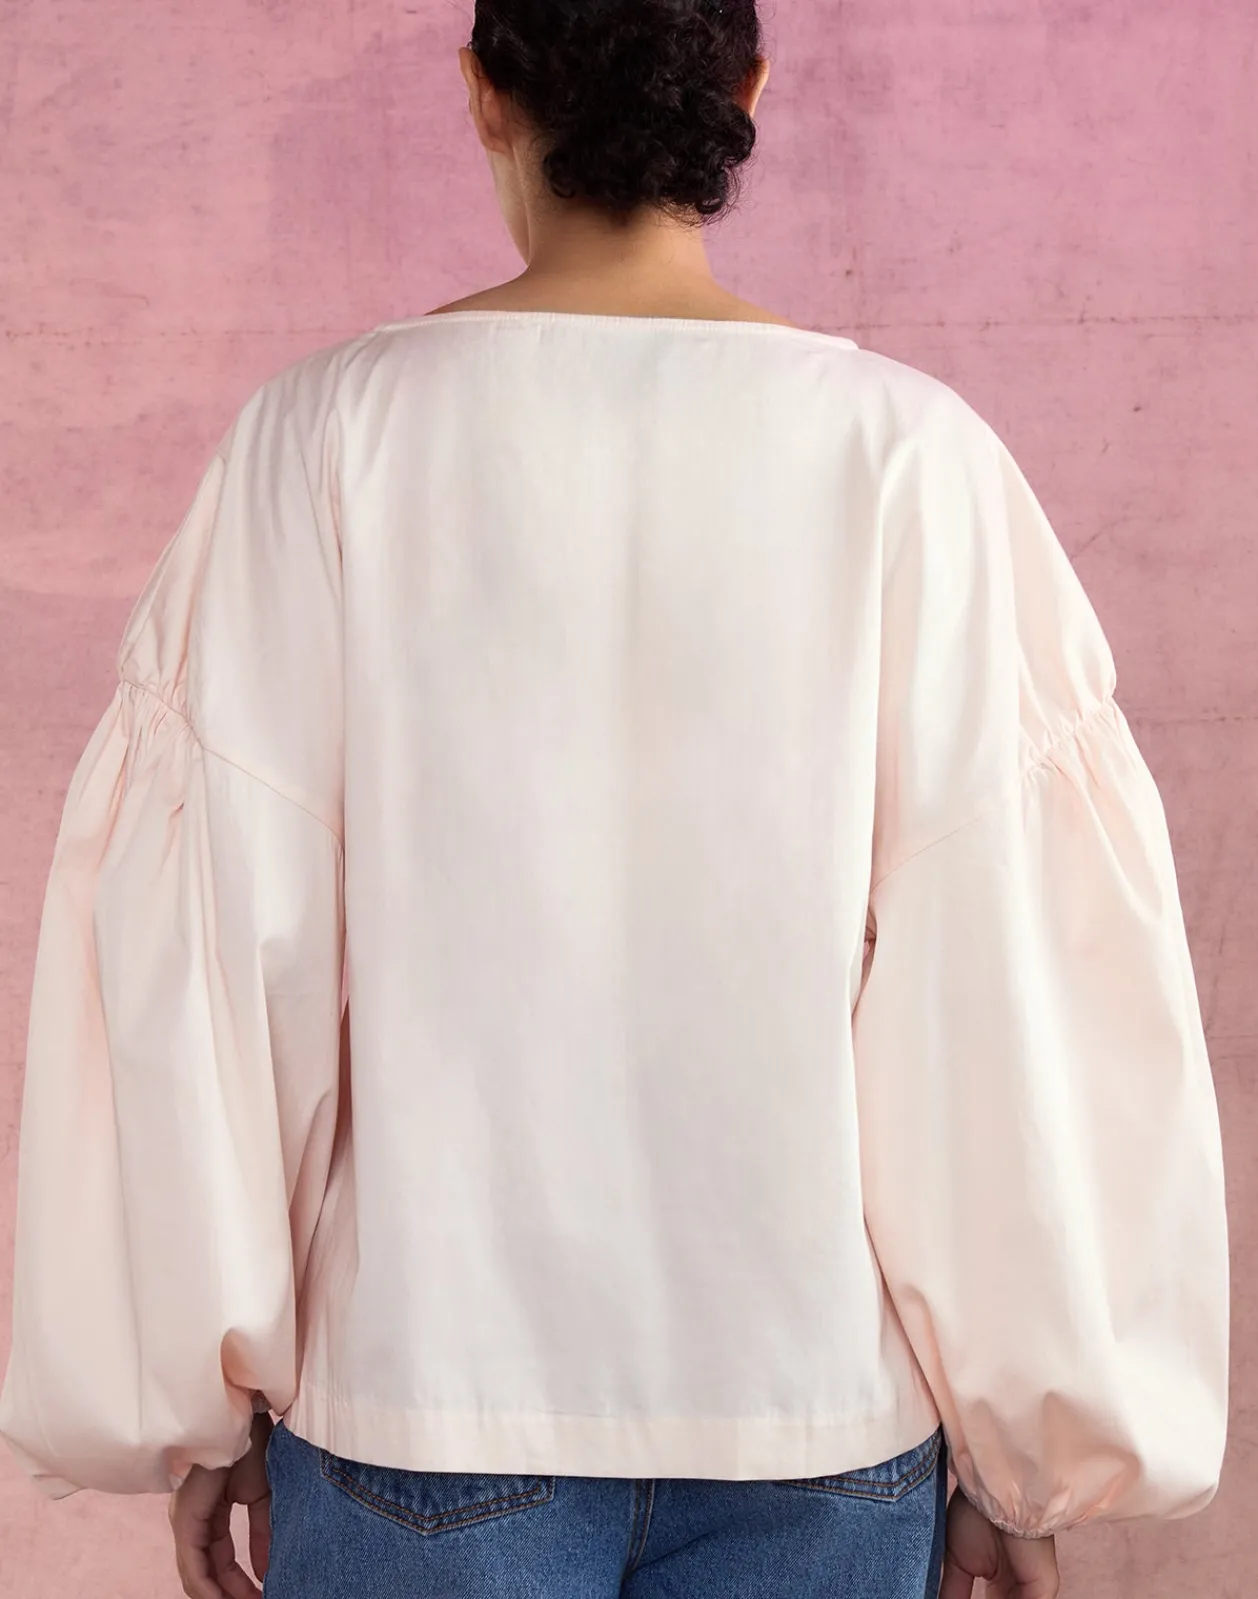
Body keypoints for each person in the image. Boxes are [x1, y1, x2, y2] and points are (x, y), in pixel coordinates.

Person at [0, 1, 1229, 1597]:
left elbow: (224, 953)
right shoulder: (908, 458)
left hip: (421, 1399)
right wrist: (1021, 1448)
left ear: (481, 93)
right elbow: (998, 985)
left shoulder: (326, 438)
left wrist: (198, 1388)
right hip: (811, 1417)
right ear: (745, 89)